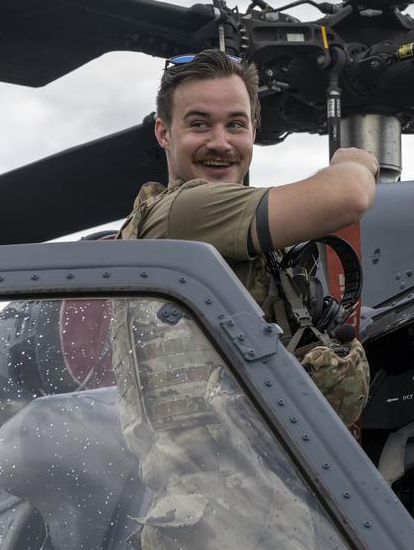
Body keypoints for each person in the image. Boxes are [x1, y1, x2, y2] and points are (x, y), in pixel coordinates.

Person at [110, 49, 378, 549]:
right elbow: (349, 196)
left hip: (251, 512)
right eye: (199, 124)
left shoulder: (191, 230)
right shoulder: (186, 213)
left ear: (255, 129)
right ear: (163, 133)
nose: (220, 143)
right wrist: (356, 159)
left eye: (236, 124)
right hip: (229, 525)